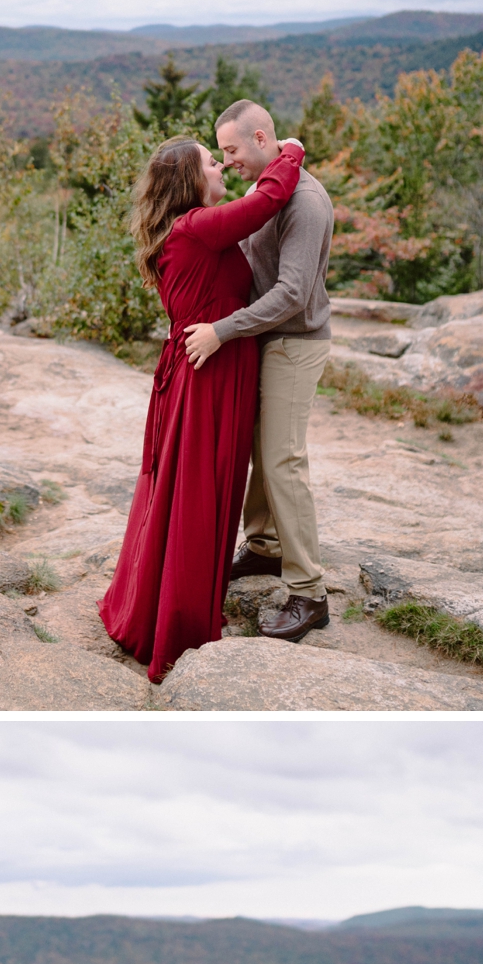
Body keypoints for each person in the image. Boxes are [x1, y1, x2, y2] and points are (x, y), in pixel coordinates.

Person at [98, 133, 307, 682]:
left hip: (206, 369)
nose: (222, 168)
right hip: (209, 376)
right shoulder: (195, 227)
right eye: (214, 163)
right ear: (191, 181)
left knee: (190, 489)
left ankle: (163, 599)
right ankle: (180, 619)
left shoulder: (185, 229)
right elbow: (266, 201)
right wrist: (292, 151)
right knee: (196, 492)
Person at [183, 100, 335, 643]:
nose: (225, 162)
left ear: (262, 137)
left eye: (230, 150)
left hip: (294, 343)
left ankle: (309, 594)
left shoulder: (306, 202)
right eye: (218, 153)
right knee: (256, 450)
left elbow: (292, 294)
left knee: (282, 460)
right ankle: (266, 547)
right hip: (262, 342)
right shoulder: (263, 187)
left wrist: (223, 330)